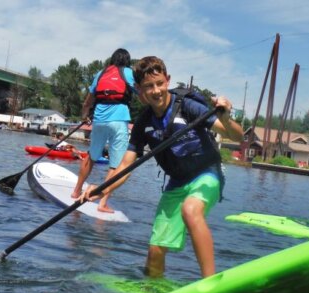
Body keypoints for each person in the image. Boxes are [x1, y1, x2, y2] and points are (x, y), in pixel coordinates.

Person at [79, 56, 243, 278]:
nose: (156, 91)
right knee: (155, 251)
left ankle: (211, 284)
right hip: (177, 183)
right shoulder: (143, 123)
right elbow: (126, 165)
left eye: (159, 83)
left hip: (207, 174)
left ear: (168, 80)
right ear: (139, 90)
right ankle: (154, 290)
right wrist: (101, 189)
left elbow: (237, 136)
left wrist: (226, 116)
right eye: (148, 86)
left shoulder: (188, 106)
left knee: (191, 209)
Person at [71, 48, 136, 213]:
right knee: (116, 164)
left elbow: (87, 102)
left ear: (112, 59)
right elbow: (142, 93)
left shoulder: (100, 73)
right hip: (119, 121)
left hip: (98, 121)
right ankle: (103, 203)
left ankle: (76, 190)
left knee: (91, 157)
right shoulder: (129, 73)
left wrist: (84, 116)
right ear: (127, 61)